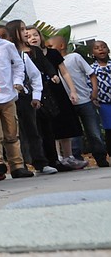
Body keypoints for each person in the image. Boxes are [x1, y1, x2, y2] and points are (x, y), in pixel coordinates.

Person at [0, 14, 34, 179]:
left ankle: (17, 165)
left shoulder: (7, 46)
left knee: (12, 132)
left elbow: (18, 65)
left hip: (8, 95)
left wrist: (17, 82)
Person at [25, 27, 85, 170]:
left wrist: (73, 91)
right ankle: (55, 157)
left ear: (41, 36)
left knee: (65, 122)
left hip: (58, 92)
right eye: (28, 36)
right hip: (40, 94)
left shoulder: (52, 53)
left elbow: (65, 73)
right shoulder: (26, 55)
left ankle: (69, 157)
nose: (33, 38)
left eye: (35, 35)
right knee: (49, 127)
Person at [4, 20, 57, 175]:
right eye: (21, 29)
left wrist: (36, 96)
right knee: (14, 133)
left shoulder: (24, 55)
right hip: (8, 98)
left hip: (25, 97)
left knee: (32, 130)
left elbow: (35, 76)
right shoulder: (5, 52)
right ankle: (20, 165)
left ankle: (40, 162)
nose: (25, 32)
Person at [48, 35, 109, 167]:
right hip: (68, 103)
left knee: (93, 131)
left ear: (62, 46)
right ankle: (75, 157)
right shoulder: (51, 62)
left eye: (51, 46)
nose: (49, 49)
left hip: (85, 100)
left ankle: (100, 157)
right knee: (74, 132)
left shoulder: (74, 57)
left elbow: (91, 73)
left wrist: (94, 91)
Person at [91, 40, 111, 162]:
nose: (101, 50)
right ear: (92, 52)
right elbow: (90, 84)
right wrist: (93, 97)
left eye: (103, 47)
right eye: (97, 48)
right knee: (109, 130)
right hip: (103, 103)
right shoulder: (92, 68)